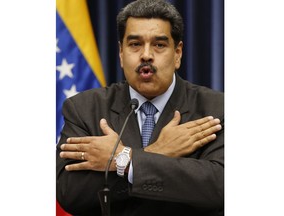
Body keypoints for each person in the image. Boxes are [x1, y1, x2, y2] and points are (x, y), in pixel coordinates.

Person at [56, 0, 224, 215]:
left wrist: (123, 159)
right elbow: (70, 192)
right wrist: (155, 152)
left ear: (178, 53)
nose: (146, 55)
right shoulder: (84, 108)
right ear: (121, 53)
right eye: (135, 44)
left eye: (159, 45)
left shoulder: (217, 108)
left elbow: (220, 186)